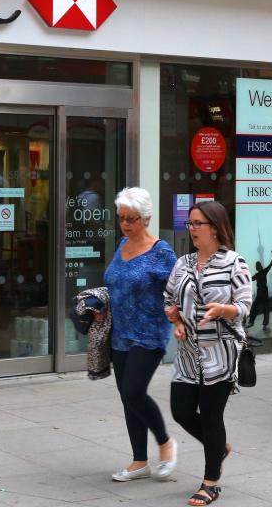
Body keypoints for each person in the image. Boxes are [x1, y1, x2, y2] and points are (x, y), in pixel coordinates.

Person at [164, 200, 251, 506]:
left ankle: (210, 482)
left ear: (214, 227)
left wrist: (222, 309)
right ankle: (219, 448)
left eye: (196, 224)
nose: (191, 230)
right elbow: (169, 296)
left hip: (220, 353)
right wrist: (174, 317)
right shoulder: (183, 263)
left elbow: (244, 306)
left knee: (212, 416)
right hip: (188, 353)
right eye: (189, 224)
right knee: (181, 409)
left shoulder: (234, 263)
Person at [104, 187, 179, 482]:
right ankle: (139, 461)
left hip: (149, 333)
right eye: (122, 218)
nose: (125, 224)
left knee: (134, 390)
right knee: (127, 396)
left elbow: (178, 288)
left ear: (146, 219)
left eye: (131, 218)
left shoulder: (161, 252)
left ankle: (165, 443)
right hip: (120, 332)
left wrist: (179, 316)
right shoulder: (122, 244)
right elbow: (114, 283)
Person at [247, 250, 272, 329]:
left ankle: (264, 324)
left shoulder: (264, 271)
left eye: (258, 265)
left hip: (264, 291)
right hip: (260, 292)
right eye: (257, 266)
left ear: (260, 266)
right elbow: (250, 279)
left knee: (265, 307)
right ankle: (251, 321)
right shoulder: (257, 274)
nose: (257, 267)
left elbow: (270, 265)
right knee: (255, 306)